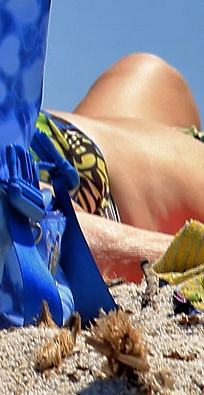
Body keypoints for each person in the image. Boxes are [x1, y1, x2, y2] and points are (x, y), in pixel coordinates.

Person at [36, 53, 204, 281]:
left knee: (151, 72)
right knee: (148, 70)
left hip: (63, 153)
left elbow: (54, 232)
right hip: (61, 142)